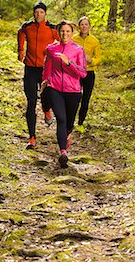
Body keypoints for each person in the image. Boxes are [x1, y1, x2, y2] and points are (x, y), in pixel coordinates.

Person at [41, 20, 87, 168]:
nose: (64, 34)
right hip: (55, 88)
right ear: (58, 32)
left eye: (67, 31)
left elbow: (83, 73)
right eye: (62, 31)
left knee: (68, 123)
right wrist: (45, 81)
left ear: (72, 33)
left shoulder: (78, 50)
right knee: (61, 119)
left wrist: (69, 63)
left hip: (73, 90)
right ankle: (63, 152)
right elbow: (47, 67)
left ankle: (67, 134)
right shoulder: (51, 49)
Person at [17, 1, 59, 149]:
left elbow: (62, 42)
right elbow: (20, 32)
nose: (38, 14)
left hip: (45, 69)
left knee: (46, 98)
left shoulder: (52, 28)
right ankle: (32, 138)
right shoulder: (27, 26)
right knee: (31, 103)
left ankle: (47, 111)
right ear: (33, 13)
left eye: (41, 12)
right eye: (36, 12)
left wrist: (58, 57)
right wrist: (20, 49)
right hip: (30, 68)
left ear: (45, 14)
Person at [73, 16, 101, 127]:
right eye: (82, 24)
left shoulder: (94, 41)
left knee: (85, 99)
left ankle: (80, 123)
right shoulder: (74, 39)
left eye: (86, 24)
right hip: (76, 73)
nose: (84, 27)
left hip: (89, 73)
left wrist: (92, 60)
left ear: (89, 26)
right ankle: (70, 121)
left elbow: (99, 58)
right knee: (75, 97)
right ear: (79, 26)